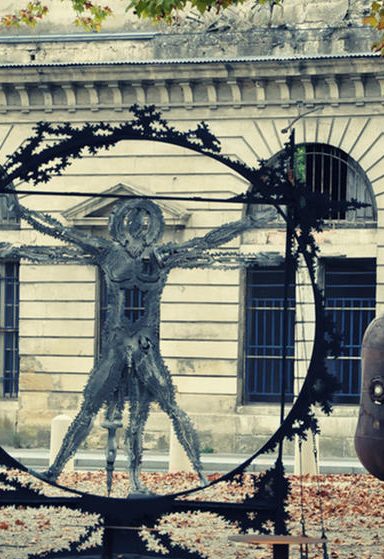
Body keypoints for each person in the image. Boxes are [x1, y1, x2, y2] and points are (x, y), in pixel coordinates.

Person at [1, 198, 276, 494]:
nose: (136, 228)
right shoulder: (108, 253)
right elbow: (63, 233)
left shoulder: (161, 255)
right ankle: (56, 469)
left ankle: (194, 474)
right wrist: (25, 213)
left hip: (145, 344)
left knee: (159, 411)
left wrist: (247, 223)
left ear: (152, 226)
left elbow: (206, 242)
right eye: (131, 221)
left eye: (143, 223)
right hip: (118, 342)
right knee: (89, 408)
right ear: (121, 225)